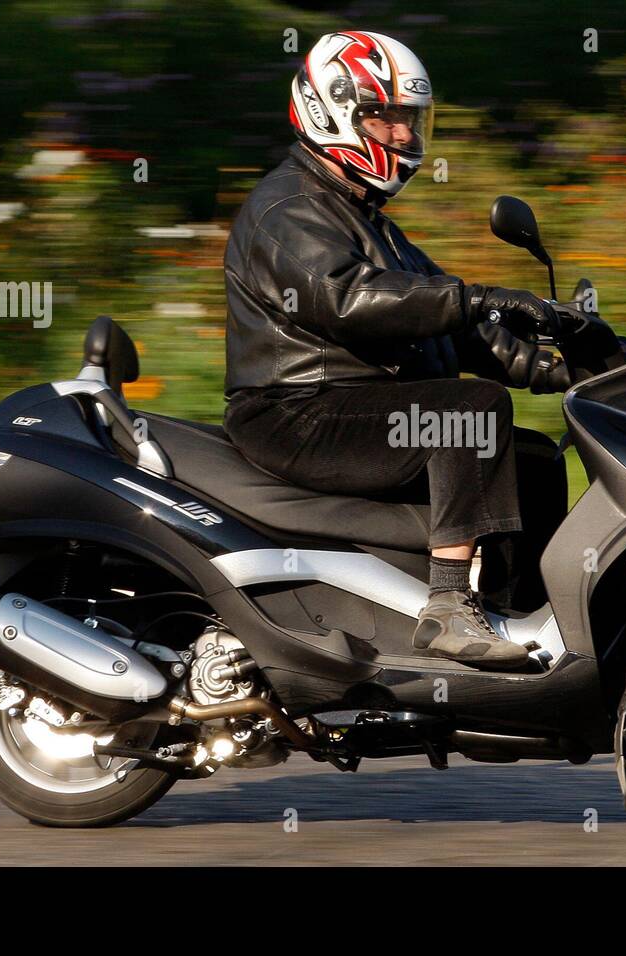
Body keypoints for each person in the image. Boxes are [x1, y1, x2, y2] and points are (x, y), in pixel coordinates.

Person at [223, 31, 569, 670]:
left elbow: (457, 324)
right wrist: (476, 298)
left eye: (410, 120)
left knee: (537, 460)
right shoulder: (289, 207)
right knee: (470, 413)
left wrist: (564, 365)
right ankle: (448, 607)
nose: (405, 136)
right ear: (332, 112)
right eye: (384, 116)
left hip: (354, 402)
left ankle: (531, 618)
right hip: (296, 410)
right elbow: (348, 298)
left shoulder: (367, 217)